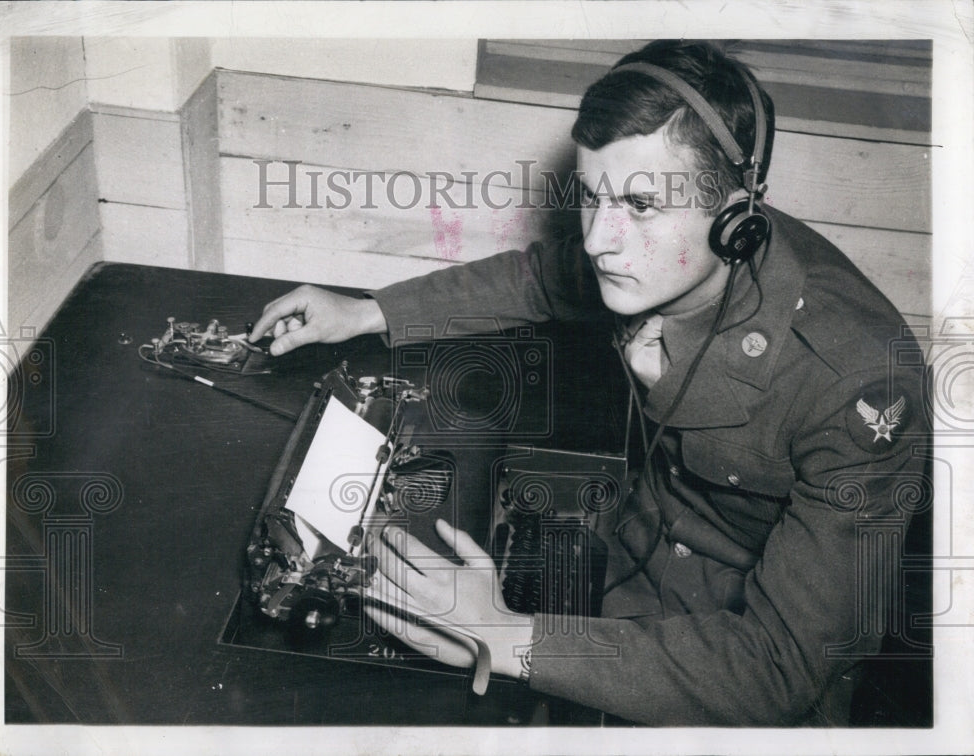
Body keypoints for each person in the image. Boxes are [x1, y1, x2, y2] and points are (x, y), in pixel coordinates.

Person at [249, 40, 929, 726]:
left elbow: (779, 668)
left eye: (639, 205)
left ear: (736, 220)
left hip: (745, 674)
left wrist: (504, 636)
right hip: (626, 569)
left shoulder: (859, 383)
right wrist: (368, 310)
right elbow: (539, 277)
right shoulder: (660, 259)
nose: (602, 239)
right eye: (592, 198)